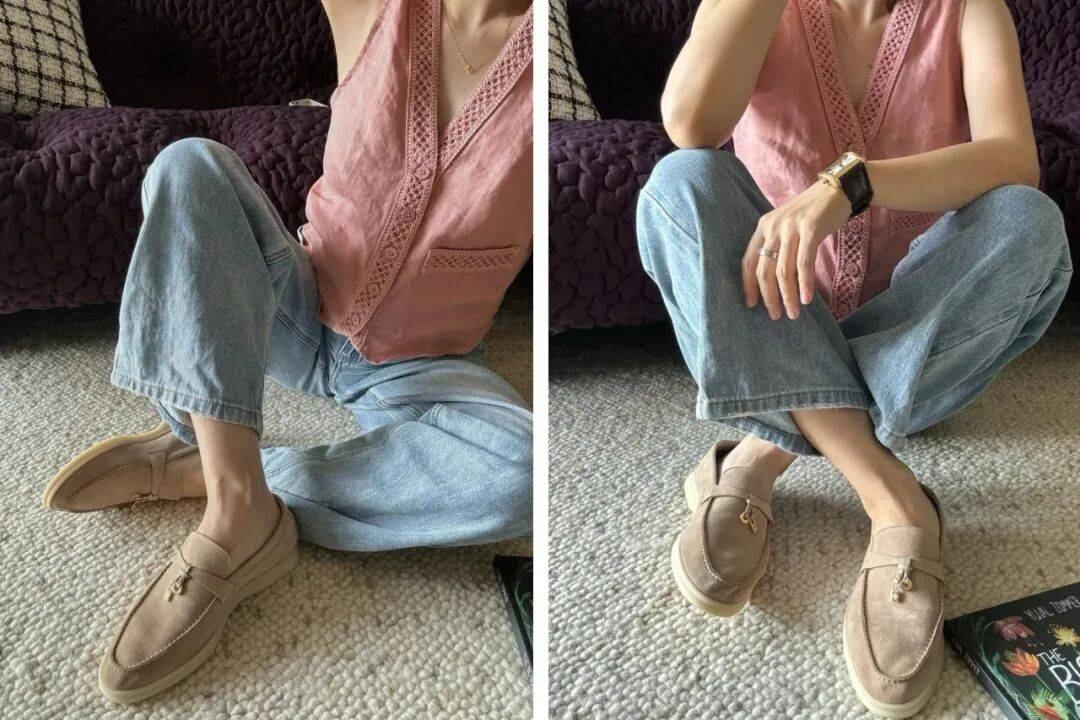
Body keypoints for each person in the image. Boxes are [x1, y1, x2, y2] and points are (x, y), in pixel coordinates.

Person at [41, 0, 533, 704]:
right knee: (188, 166)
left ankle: (220, 463)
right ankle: (237, 509)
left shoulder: (545, 65)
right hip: (293, 303)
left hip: (427, 361)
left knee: (522, 476)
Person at [635, 0, 1070, 716]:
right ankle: (893, 498)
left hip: (914, 338)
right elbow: (691, 124)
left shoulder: (970, 10)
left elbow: (1012, 159)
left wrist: (850, 185)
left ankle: (756, 454)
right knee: (681, 182)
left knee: (1031, 221)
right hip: (772, 311)